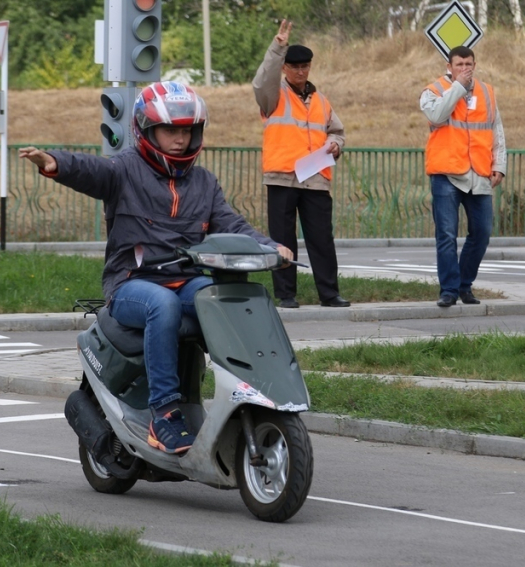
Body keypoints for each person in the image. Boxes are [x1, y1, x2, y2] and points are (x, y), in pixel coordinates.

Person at [19, 82, 292, 456]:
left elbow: (234, 225)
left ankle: (250, 392)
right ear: (146, 131)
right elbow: (93, 171)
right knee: (160, 304)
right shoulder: (125, 171)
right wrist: (55, 163)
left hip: (186, 282)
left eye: (187, 131)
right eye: (170, 131)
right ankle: (163, 414)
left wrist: (270, 246)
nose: (180, 140)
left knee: (228, 299)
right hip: (133, 284)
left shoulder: (205, 183)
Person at [252, 19, 350, 309]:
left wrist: (336, 145)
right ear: (285, 68)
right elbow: (261, 80)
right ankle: (286, 295)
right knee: (283, 240)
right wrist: (278, 46)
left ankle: (329, 294)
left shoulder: (321, 99)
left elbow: (337, 132)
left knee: (321, 239)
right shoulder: (273, 94)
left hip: (316, 178)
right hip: (282, 176)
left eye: (305, 65)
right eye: (295, 66)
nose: (301, 70)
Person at [419, 45, 507, 308]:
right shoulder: (433, 90)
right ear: (449, 67)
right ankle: (448, 290)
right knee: (446, 234)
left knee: (482, 232)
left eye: (469, 64)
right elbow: (436, 114)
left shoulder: (487, 92)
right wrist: (457, 87)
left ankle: (464, 285)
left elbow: (497, 130)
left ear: (475, 65)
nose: (465, 69)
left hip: (479, 173)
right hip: (446, 173)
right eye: (459, 65)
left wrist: (499, 165)